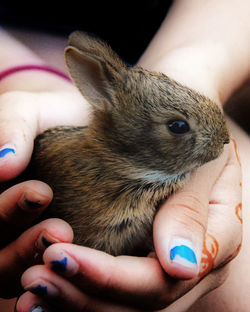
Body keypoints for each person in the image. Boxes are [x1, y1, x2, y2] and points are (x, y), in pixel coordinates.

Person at [0, 0, 249, 310]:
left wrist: (193, 69)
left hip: (174, 40)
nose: (221, 141)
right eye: (177, 127)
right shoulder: (84, 177)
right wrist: (17, 77)